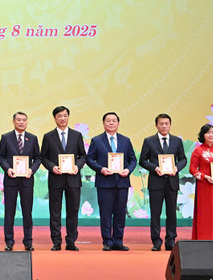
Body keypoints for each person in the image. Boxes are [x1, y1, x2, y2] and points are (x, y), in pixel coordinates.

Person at [87, 111, 137, 251]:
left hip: (122, 182)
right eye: (108, 121)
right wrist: (101, 169)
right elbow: (90, 159)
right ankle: (107, 241)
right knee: (106, 213)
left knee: (120, 213)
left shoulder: (125, 140)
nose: (111, 123)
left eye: (114, 121)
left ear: (118, 123)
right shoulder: (97, 140)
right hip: (104, 182)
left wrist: (128, 170)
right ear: (103, 124)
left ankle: (118, 241)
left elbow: (133, 160)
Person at [39, 106, 86, 251]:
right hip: (56, 179)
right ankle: (56, 241)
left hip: (73, 179)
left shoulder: (77, 135)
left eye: (65, 115)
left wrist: (77, 166)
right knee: (55, 211)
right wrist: (52, 167)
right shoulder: (48, 136)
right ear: (54, 118)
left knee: (73, 210)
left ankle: (71, 241)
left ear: (68, 117)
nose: (63, 118)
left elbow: (83, 156)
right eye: (59, 116)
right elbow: (43, 157)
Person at [139, 113, 188, 251]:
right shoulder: (149, 141)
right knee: (155, 214)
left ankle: (170, 240)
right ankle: (156, 241)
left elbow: (183, 159)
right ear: (156, 125)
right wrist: (155, 168)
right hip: (156, 181)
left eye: (167, 123)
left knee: (171, 213)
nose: (164, 126)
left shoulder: (177, 141)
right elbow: (142, 160)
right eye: (161, 124)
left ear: (170, 125)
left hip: (172, 182)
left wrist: (176, 168)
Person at [0, 111, 41, 251]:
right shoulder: (6, 137)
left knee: (27, 212)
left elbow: (38, 158)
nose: (22, 122)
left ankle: (28, 241)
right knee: (9, 212)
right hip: (11, 180)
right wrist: (7, 169)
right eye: (19, 120)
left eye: (24, 120)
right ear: (13, 121)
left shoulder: (32, 138)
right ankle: (9, 241)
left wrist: (31, 170)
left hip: (27, 180)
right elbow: (1, 157)